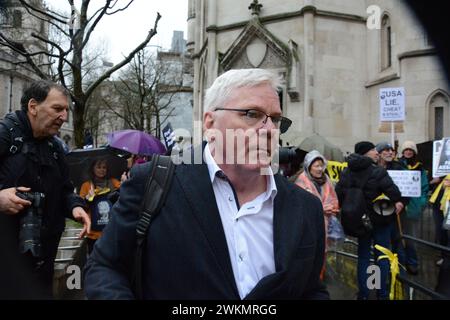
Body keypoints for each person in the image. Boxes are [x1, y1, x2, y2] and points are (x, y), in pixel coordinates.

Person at [84, 68, 329, 299]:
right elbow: (104, 268)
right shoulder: (153, 183)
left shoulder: (306, 208)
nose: (268, 130)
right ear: (210, 124)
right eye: (252, 114)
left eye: (275, 119)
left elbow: (312, 290)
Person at [0, 80, 90, 298]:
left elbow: (65, 189)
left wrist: (76, 208)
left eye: (66, 110)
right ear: (33, 107)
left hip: (43, 262)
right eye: (57, 109)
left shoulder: (56, 147)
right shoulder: (5, 135)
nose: (65, 117)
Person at [335, 141, 403, 300]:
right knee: (382, 256)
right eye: (373, 149)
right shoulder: (377, 171)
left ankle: (364, 294)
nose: (376, 152)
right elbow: (395, 194)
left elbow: (339, 196)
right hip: (380, 220)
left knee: (364, 256)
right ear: (365, 153)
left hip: (360, 222)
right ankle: (381, 293)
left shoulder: (346, 171)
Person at [295, 150, 339, 280]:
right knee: (309, 255)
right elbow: (299, 207)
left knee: (322, 254)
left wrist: (332, 208)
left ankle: (318, 280)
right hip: (308, 227)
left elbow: (334, 200)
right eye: (316, 166)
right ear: (309, 166)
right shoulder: (301, 182)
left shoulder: (327, 181)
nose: (320, 169)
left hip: (325, 226)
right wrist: (320, 209)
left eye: (321, 165)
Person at [397, 140, 429, 275]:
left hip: (413, 207)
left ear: (414, 152)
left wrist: (421, 202)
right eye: (406, 150)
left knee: (411, 238)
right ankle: (400, 262)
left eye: (411, 150)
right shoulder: (397, 165)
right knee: (397, 236)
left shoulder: (420, 168)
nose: (408, 152)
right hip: (399, 207)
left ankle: (412, 262)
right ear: (403, 152)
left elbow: (424, 188)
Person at [79, 159, 121, 254]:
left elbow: (123, 199)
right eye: (98, 167)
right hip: (93, 234)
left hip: (112, 232)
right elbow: (81, 206)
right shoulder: (86, 186)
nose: (102, 170)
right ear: (92, 169)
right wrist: (88, 198)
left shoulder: (114, 183)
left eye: (104, 167)